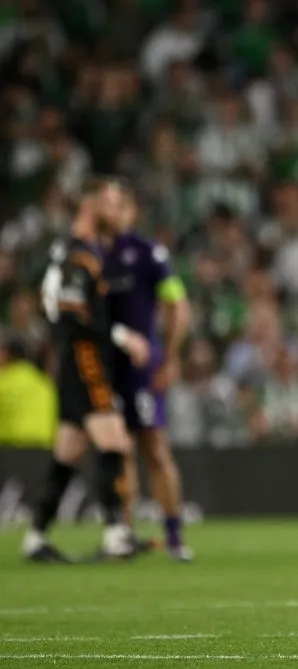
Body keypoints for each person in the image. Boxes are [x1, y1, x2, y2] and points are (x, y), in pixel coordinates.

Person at [22, 179, 151, 563]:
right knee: (114, 442)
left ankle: (36, 536)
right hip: (85, 355)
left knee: (69, 451)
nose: (118, 211)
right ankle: (115, 533)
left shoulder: (78, 249)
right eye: (111, 203)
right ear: (91, 206)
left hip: (77, 356)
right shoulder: (80, 253)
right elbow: (69, 312)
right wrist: (122, 336)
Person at [101, 185, 194, 562]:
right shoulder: (92, 254)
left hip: (140, 368)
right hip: (103, 365)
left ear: (131, 211)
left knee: (153, 446)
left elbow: (177, 304)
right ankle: (124, 534)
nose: (115, 211)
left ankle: (173, 534)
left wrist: (170, 356)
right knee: (116, 448)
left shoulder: (146, 253)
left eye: (122, 204)